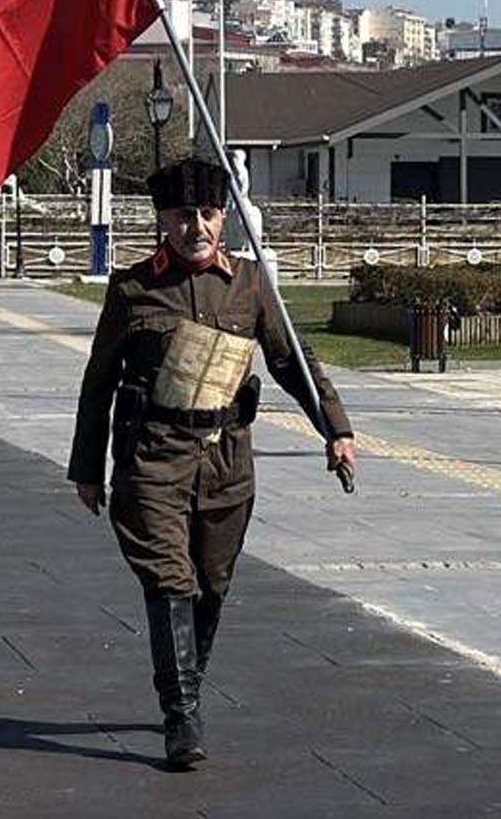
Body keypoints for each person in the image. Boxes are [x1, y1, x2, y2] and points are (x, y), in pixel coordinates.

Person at [70, 156, 355, 770]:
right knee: (170, 579)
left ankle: (187, 682)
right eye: (181, 215)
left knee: (211, 584)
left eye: (206, 213)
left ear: (222, 217)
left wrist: (335, 429)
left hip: (226, 460)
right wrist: (88, 468)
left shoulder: (252, 285)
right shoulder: (132, 287)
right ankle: (182, 714)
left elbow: (292, 363)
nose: (195, 226)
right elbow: (99, 383)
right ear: (162, 220)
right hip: (153, 459)